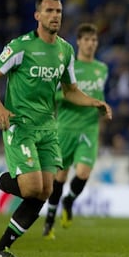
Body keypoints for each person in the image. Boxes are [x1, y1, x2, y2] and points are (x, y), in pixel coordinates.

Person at [0, 0, 112, 257]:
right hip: (21, 125)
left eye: (59, 11)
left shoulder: (65, 50)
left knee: (46, 191)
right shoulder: (20, 47)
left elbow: (70, 90)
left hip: (48, 128)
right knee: (30, 188)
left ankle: (0, 249)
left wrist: (92, 102)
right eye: (49, 11)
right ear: (37, 16)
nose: (55, 16)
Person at [42, 23, 109, 240]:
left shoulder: (102, 69)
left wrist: (101, 106)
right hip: (65, 127)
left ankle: (69, 201)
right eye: (87, 40)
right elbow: (56, 95)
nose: (91, 44)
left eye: (94, 40)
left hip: (89, 128)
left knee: (83, 173)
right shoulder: (69, 66)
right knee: (59, 178)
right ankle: (49, 221)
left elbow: (98, 93)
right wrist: (83, 100)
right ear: (79, 42)